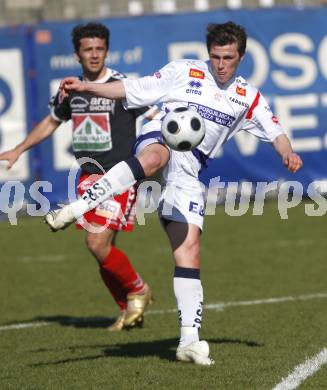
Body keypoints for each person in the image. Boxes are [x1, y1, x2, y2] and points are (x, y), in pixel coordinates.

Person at [45, 21, 303, 365]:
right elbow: (131, 89)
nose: (221, 64)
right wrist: (88, 88)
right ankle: (77, 207)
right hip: (160, 135)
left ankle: (188, 342)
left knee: (189, 252)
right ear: (208, 53)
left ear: (241, 56)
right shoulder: (184, 71)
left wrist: (287, 151)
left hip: (190, 169)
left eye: (228, 57)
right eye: (215, 56)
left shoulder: (248, 97)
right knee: (152, 157)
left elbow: (276, 131)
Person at [0, 22, 154, 331]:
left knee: (96, 243)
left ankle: (138, 290)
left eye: (99, 49)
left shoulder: (123, 87)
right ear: (77, 54)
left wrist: (155, 154)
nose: (94, 55)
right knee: (102, 252)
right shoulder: (71, 90)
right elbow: (52, 121)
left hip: (119, 177)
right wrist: (19, 148)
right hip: (87, 179)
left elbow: (154, 117)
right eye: (88, 50)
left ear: (107, 51)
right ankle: (128, 311)